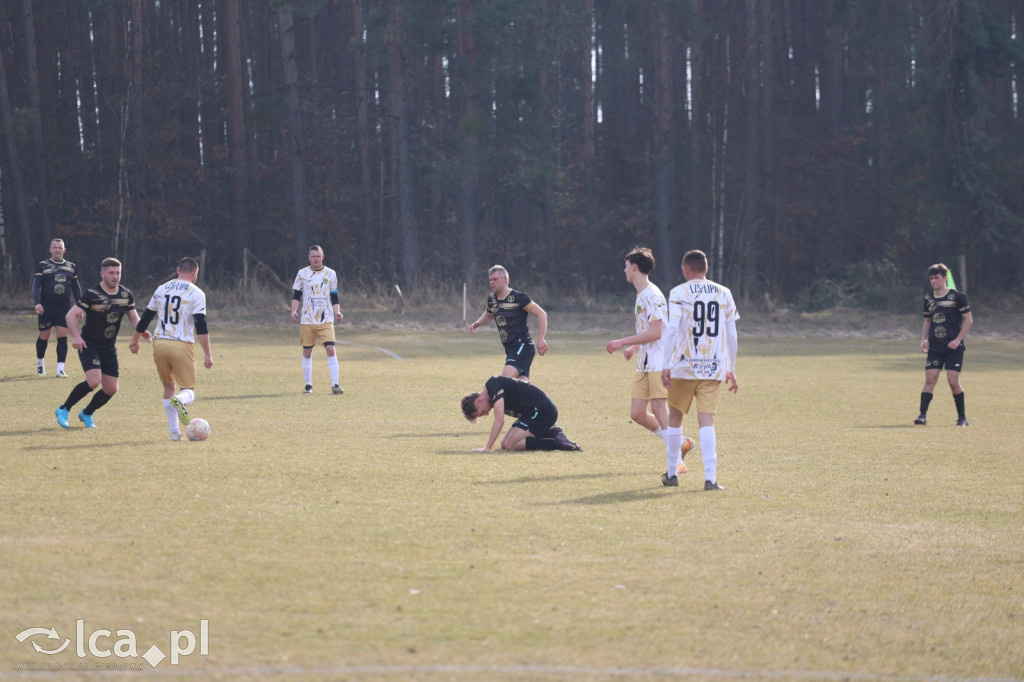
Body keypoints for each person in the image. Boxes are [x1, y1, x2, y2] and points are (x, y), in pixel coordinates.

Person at [606, 247, 694, 474]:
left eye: (626, 266)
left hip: (659, 361)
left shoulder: (653, 295)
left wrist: (623, 342)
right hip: (644, 361)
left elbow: (657, 333)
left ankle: (676, 463)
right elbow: (653, 328)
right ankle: (681, 443)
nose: (624, 270)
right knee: (637, 413)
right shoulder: (641, 295)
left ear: (634, 267)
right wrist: (635, 347)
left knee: (658, 406)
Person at [660, 250, 739, 490]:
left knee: (675, 420)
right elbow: (732, 334)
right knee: (707, 422)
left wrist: (665, 363)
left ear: (686, 269)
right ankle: (711, 479)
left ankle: (672, 474)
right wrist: (731, 368)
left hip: (684, 366)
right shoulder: (724, 293)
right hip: (713, 367)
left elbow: (672, 330)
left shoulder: (678, 292)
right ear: (706, 268)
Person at [55, 258, 147, 429]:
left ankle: (87, 413)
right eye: (111, 273)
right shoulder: (92, 294)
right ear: (102, 274)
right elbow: (70, 315)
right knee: (94, 381)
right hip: (89, 345)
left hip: (109, 348)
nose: (115, 276)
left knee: (111, 388)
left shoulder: (126, 295)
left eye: (118, 273)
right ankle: (63, 409)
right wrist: (76, 337)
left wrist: (142, 330)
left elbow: (134, 318)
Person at [129, 257, 214, 441]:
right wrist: (207, 354)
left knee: (168, 387)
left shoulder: (162, 288)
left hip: (159, 344)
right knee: (188, 390)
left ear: (178, 270)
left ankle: (174, 433)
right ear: (195, 273)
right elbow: (201, 325)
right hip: (181, 344)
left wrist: (135, 340)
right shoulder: (196, 293)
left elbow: (146, 318)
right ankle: (181, 400)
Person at [915, 263, 973, 427]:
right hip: (935, 346)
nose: (933, 281)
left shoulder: (957, 297)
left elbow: (968, 319)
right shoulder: (928, 299)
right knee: (930, 378)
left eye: (936, 278)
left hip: (954, 347)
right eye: (931, 278)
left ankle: (962, 418)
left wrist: (957, 339)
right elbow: (927, 320)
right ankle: (922, 415)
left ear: (945, 278)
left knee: (952, 380)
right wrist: (923, 339)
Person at [468, 265, 548, 381]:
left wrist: (541, 338)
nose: (491, 282)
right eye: (490, 280)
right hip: (510, 349)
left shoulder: (518, 298)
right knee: (519, 390)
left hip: (522, 346)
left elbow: (542, 314)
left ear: (505, 279)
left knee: (503, 381)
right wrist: (478, 323)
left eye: (495, 279)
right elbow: (489, 315)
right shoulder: (492, 299)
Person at [461, 375, 581, 452]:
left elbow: (499, 421)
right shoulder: (492, 392)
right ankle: (551, 432)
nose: (486, 414)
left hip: (543, 411)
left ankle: (557, 443)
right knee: (504, 444)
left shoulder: (493, 386)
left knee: (511, 445)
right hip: (531, 413)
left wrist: (487, 448)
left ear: (479, 401)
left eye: (482, 412)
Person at [291, 245, 344, 395]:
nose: (316, 259)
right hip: (307, 319)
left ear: (323, 257)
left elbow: (334, 295)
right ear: (309, 258)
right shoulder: (302, 273)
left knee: (330, 349)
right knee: (307, 352)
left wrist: (337, 311)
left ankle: (335, 384)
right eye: (313, 256)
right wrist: (294, 311)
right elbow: (296, 295)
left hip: (326, 318)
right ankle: (308, 385)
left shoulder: (330, 274)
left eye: (318, 256)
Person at [32, 238, 83, 378]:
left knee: (62, 336)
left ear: (64, 250)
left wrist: (80, 306)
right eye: (54, 247)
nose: (57, 250)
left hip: (64, 308)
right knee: (44, 336)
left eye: (60, 247)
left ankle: (60, 369)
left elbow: (76, 288)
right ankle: (40, 365)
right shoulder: (43, 265)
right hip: (46, 307)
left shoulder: (71, 267)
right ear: (50, 249)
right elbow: (36, 286)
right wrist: (37, 303)